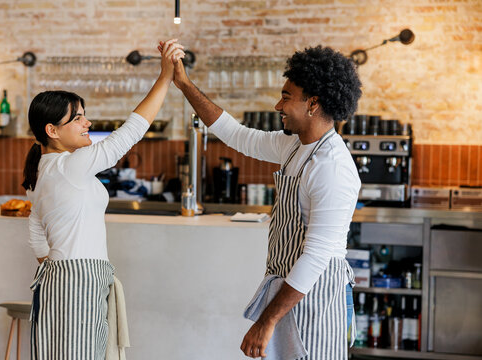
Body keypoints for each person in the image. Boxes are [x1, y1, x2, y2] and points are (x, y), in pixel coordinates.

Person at [166, 43, 362, 359]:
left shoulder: (331, 166)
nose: (277, 105)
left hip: (315, 299)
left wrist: (266, 320)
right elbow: (236, 134)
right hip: (290, 295)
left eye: (286, 96)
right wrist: (184, 85)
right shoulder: (295, 147)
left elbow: (315, 258)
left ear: (313, 103)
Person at [22, 39, 185, 360]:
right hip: (77, 281)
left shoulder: (42, 171)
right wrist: (165, 78)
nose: (88, 124)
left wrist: (61, 269)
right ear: (52, 130)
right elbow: (131, 132)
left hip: (66, 280)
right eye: (78, 118)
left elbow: (37, 236)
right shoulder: (69, 165)